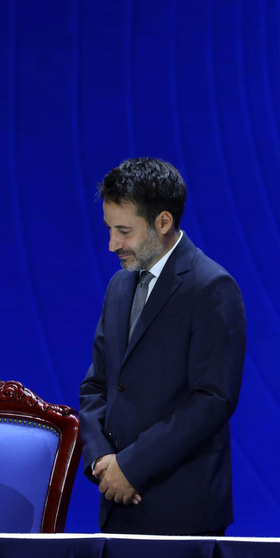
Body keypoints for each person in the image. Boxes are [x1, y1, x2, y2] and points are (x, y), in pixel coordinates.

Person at [79, 157, 246, 535]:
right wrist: (102, 461)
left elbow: (212, 399)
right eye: (108, 229)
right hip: (116, 503)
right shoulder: (119, 286)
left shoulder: (211, 287)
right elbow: (96, 385)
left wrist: (132, 467)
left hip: (181, 510)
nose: (111, 245)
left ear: (163, 222)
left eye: (123, 231)